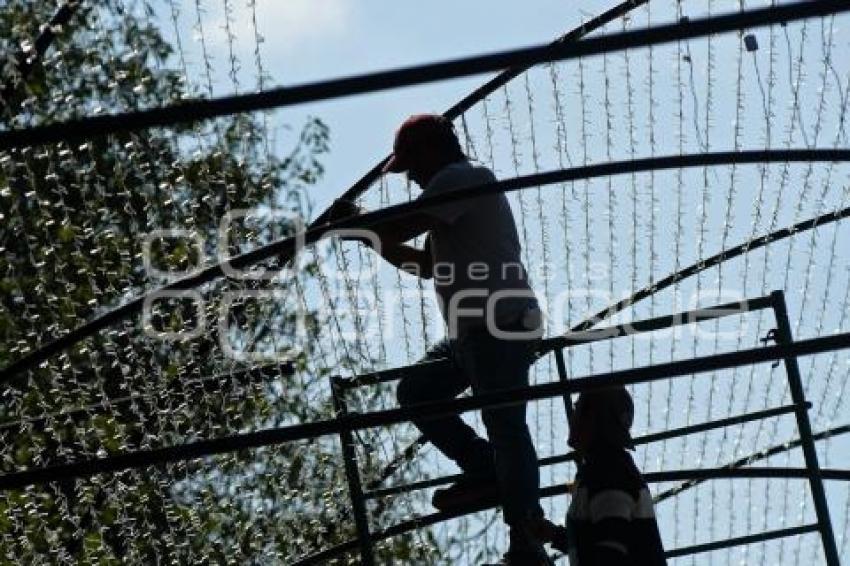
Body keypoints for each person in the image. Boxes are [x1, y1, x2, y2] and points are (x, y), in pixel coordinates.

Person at [330, 114, 553, 564]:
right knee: (419, 392)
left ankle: (525, 535)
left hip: (500, 324)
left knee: (505, 425)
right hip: (476, 333)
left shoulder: (460, 179)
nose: (410, 178)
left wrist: (358, 222)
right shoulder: (447, 197)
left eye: (411, 166)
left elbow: (396, 230)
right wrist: (362, 231)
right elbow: (424, 265)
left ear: (432, 152)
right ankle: (486, 470)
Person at [564, 385, 667, 566]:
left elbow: (610, 552)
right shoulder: (609, 469)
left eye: (577, 407)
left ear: (593, 418)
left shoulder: (608, 473)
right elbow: (603, 539)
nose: (572, 417)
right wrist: (555, 536)